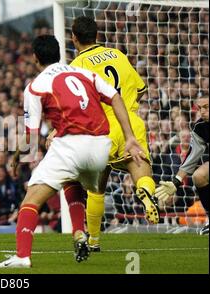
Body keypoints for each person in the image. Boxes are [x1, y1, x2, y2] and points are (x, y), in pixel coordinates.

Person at [0, 35, 144, 268]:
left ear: (35, 57)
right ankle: (78, 232)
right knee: (70, 180)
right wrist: (130, 137)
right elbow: (115, 97)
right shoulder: (84, 73)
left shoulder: (36, 86)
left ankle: (22, 256)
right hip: (100, 148)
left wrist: (16, 157)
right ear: (59, 53)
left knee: (31, 200)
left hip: (72, 146)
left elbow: (32, 136)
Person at [57, 16, 160, 251]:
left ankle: (93, 241)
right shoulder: (118, 55)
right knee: (140, 169)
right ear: (97, 34)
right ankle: (145, 192)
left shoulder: (77, 66)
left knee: (96, 187)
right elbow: (141, 89)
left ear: (74, 38)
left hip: (100, 129)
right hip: (130, 123)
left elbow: (74, 106)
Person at [156, 96, 209, 235]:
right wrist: (176, 182)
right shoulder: (200, 127)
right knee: (199, 176)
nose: (202, 111)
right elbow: (192, 157)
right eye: (200, 108)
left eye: (206, 107)